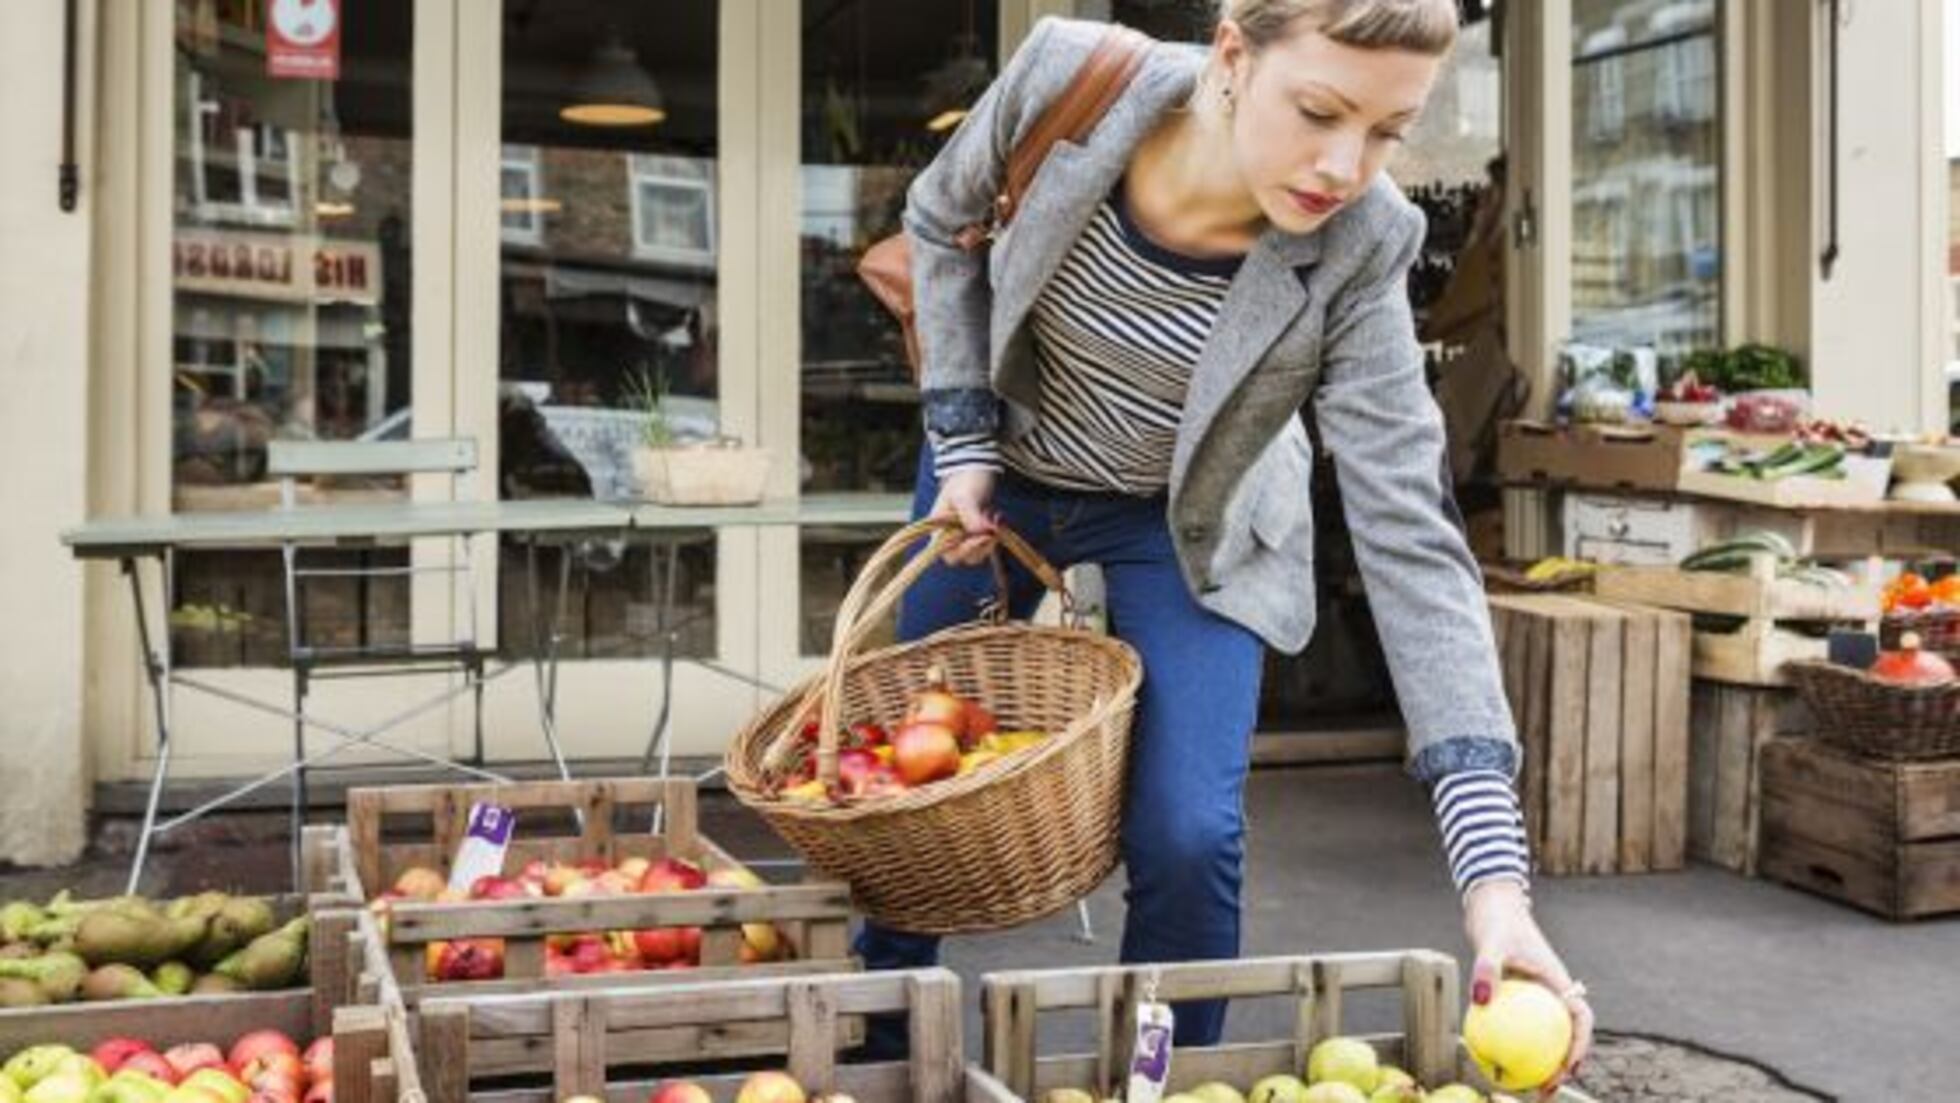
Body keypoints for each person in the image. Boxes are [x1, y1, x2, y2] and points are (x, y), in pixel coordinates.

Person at [865, 1, 1592, 1092]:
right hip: (997, 479)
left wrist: (1497, 893)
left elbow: (1412, 538)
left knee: (1187, 833)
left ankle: (1162, 1082)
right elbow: (938, 220)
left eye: (1388, 132)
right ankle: (876, 1058)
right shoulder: (1071, 80)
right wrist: (962, 435)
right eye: (1319, 112)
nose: (1344, 166)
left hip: (1188, 520)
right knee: (906, 790)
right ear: (1233, 55)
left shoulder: (1364, 241)